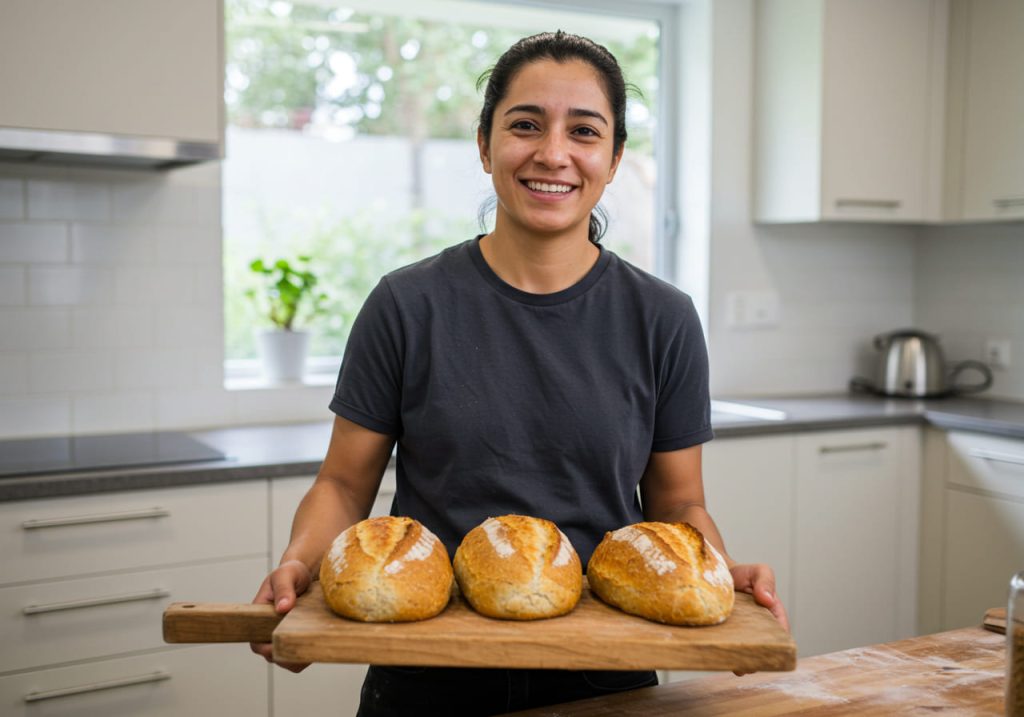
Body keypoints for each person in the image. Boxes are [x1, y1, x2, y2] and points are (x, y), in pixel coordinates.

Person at [251, 30, 789, 716]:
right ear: (484, 145)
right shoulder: (407, 305)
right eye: (525, 125)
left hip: (606, 668)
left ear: (614, 158)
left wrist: (716, 570)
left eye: (584, 131)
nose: (553, 153)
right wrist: (301, 560)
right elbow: (343, 481)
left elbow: (679, 504)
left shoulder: (663, 317)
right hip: (426, 668)